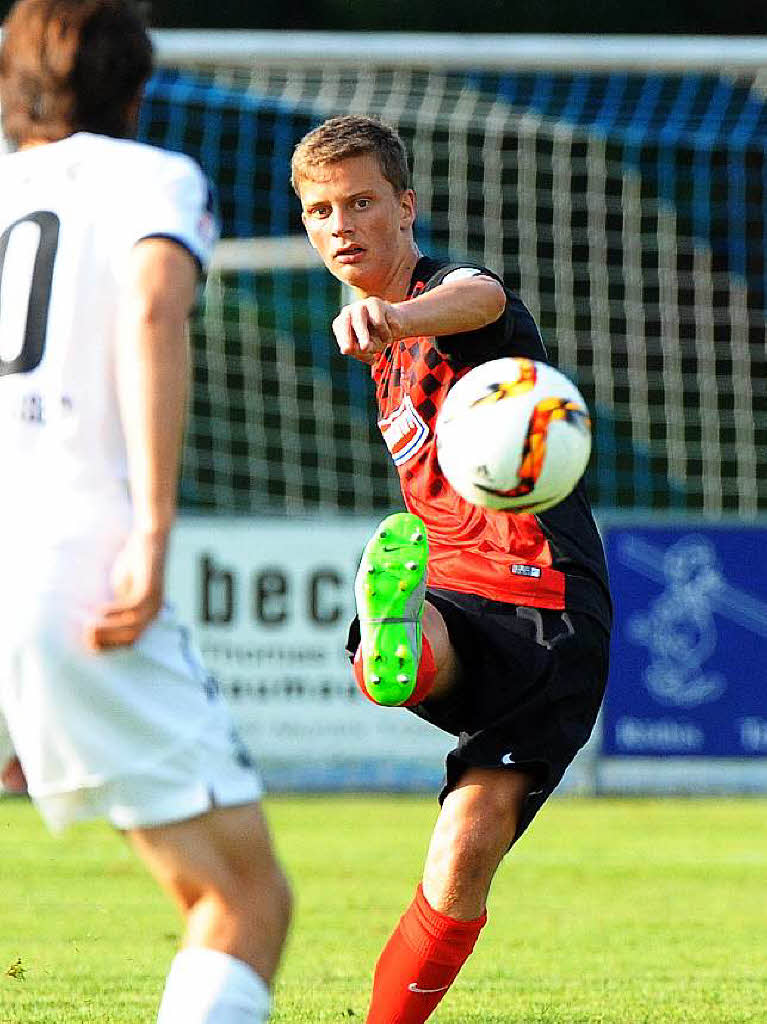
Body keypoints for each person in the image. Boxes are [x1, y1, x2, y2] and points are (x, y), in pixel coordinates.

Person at [0, 3, 291, 1022]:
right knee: (240, 896)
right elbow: (152, 305)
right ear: (134, 89)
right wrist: (155, 531)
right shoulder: (150, 179)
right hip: (66, 566)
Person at [292, 114, 612, 1024]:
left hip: (546, 597)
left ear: (405, 206)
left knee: (461, 852)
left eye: (360, 201)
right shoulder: (381, 348)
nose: (341, 224)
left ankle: (394, 650)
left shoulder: (441, 297)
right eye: (320, 211)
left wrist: (395, 314)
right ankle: (398, 645)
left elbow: (481, 294)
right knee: (424, 643)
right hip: (456, 584)